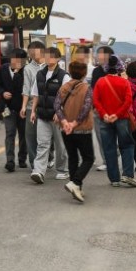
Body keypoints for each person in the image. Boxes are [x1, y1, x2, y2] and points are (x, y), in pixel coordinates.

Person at [92, 59, 136, 188]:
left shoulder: (100, 82)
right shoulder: (124, 82)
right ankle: (127, 175)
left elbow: (96, 100)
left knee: (109, 148)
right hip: (122, 118)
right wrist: (117, 115)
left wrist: (104, 114)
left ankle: (114, 179)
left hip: (105, 119)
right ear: (119, 68)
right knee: (127, 145)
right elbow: (128, 101)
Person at [55, 61, 94, 202]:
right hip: (82, 129)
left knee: (73, 158)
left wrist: (65, 122)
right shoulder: (86, 88)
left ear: (70, 72)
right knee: (88, 158)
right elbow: (86, 107)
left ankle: (76, 187)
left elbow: (57, 105)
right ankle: (75, 183)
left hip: (66, 129)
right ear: (84, 73)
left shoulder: (64, 87)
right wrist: (75, 123)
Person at [29, 47, 69, 184]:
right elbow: (36, 94)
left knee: (60, 145)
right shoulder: (40, 74)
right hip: (42, 115)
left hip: (58, 117)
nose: (48, 58)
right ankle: (39, 171)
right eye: (46, 56)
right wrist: (33, 111)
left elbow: (65, 97)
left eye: (52, 56)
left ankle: (63, 169)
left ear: (58, 58)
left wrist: (59, 112)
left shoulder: (64, 76)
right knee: (42, 144)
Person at [0, 48, 29, 172]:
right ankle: (10, 160)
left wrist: (16, 73)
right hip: (7, 108)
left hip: (22, 108)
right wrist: (2, 93)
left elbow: (22, 87)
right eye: (14, 59)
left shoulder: (25, 71)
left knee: (23, 134)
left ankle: (22, 158)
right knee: (10, 133)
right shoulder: (3, 69)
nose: (16, 62)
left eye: (20, 60)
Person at [20, 41, 46, 169]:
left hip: (48, 105)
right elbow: (26, 88)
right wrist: (24, 107)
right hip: (31, 106)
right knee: (30, 135)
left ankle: (49, 157)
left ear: (41, 51)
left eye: (33, 51)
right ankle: (34, 163)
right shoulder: (28, 68)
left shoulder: (50, 65)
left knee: (49, 135)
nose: (31, 54)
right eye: (29, 52)